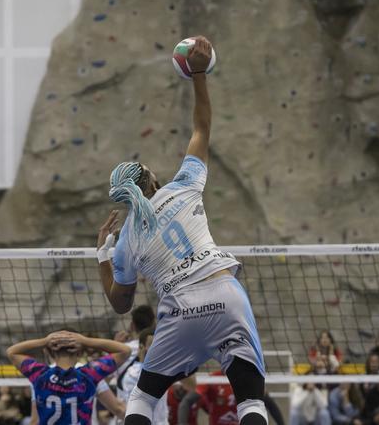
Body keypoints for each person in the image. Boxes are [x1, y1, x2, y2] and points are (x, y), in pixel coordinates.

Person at [95, 36, 267, 425]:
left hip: (181, 309)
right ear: (153, 179)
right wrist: (199, 74)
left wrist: (103, 256)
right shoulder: (183, 186)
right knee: (251, 401)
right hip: (225, 294)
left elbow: (121, 304)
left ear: (125, 197)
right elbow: (202, 126)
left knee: (142, 398)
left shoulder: (126, 242)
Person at [7, 329, 131, 425]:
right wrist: (84, 340)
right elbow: (125, 351)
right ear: (79, 352)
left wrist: (45, 341)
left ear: (49, 351)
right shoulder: (89, 374)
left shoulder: (40, 375)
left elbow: (12, 352)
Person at [117, 328, 170, 425]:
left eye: (158, 344)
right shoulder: (132, 374)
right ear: (141, 348)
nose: (156, 349)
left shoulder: (164, 369)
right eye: (151, 345)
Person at [115, 305, 157, 375]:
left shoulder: (122, 349)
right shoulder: (160, 348)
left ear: (132, 325)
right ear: (154, 324)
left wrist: (115, 345)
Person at [289, 358, 331, 425]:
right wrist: (307, 392)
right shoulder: (299, 390)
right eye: (309, 379)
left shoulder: (317, 391)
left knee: (324, 413)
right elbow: (295, 405)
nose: (311, 382)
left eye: (313, 380)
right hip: (303, 418)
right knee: (294, 413)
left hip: (315, 419)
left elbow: (324, 405)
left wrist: (314, 391)